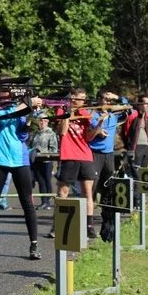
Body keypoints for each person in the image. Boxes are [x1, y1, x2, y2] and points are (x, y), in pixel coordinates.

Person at [0, 75, 43, 260]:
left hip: (20, 159)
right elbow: (3, 118)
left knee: (28, 204)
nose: (8, 93)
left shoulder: (19, 108)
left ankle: (34, 245)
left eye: (10, 90)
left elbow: (22, 136)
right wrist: (27, 104)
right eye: (5, 89)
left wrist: (29, 118)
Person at [53, 88, 99, 239]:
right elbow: (62, 131)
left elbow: (89, 137)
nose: (83, 102)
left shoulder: (85, 112)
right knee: (63, 192)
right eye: (81, 99)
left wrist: (98, 125)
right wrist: (68, 113)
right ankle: (58, 225)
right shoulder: (61, 110)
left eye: (85, 99)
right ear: (72, 98)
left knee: (88, 193)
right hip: (68, 155)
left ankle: (89, 226)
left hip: (85, 155)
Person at [88, 90, 129, 241]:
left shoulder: (113, 115)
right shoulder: (92, 114)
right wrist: (98, 130)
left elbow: (128, 108)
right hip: (94, 154)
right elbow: (91, 129)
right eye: (103, 99)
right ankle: (88, 224)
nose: (105, 102)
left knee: (108, 190)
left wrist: (117, 97)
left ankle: (107, 225)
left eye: (107, 99)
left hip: (109, 156)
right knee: (91, 189)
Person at [122, 94, 148, 207]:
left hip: (145, 146)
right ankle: (135, 200)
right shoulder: (133, 115)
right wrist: (129, 146)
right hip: (135, 147)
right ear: (139, 104)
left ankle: (141, 198)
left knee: (143, 173)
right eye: (145, 103)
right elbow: (126, 131)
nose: (147, 105)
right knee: (135, 173)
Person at [30, 114, 58, 210]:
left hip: (47, 161)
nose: (42, 122)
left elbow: (54, 149)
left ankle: (48, 202)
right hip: (37, 161)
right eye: (40, 120)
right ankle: (43, 202)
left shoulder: (51, 133)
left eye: (45, 121)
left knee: (47, 181)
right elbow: (32, 146)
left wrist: (43, 153)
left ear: (47, 122)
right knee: (40, 182)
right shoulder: (36, 133)